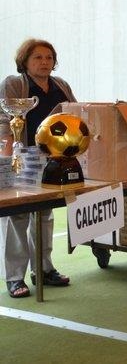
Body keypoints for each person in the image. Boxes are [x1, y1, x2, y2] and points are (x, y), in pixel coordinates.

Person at [0, 39, 75, 298]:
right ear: (25, 61)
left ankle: (43, 269)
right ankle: (14, 277)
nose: (44, 62)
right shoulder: (14, 83)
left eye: (49, 57)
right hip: (21, 158)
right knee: (17, 217)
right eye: (38, 57)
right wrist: (7, 159)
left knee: (45, 214)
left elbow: (74, 115)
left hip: (51, 160)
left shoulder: (61, 85)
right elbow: (4, 121)